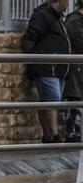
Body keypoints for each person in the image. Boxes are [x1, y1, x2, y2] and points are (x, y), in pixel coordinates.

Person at [22, 0, 73, 143]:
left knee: (48, 101)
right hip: (46, 68)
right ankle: (54, 135)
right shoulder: (43, 15)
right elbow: (29, 39)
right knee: (53, 100)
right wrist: (37, 60)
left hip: (58, 69)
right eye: (66, 0)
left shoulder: (57, 17)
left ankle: (48, 135)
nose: (68, 4)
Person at [65, 0, 83, 139]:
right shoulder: (74, 21)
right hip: (76, 69)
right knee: (75, 100)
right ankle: (73, 133)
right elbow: (79, 42)